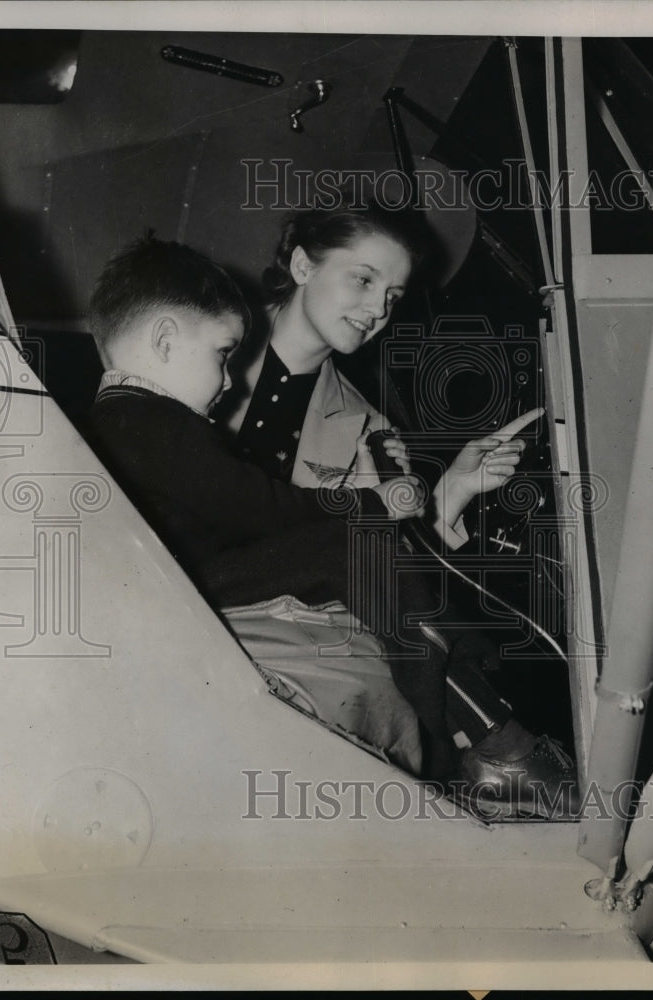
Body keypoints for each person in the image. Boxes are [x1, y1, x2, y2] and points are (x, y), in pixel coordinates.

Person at [215, 198, 577, 808]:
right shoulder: (211, 344)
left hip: (283, 601)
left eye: (393, 296)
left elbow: (390, 548)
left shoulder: (367, 423)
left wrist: (455, 488)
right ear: (302, 266)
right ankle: (498, 745)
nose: (377, 310)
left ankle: (491, 750)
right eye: (363, 280)